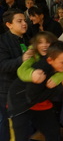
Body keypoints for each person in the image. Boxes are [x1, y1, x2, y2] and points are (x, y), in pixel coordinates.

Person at [7, 40, 63, 141]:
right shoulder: (40, 71)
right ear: (50, 60)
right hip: (20, 104)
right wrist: (60, 86)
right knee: (20, 136)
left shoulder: (57, 64)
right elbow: (33, 98)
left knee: (53, 132)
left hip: (39, 101)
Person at [0, 9, 31, 141]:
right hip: (8, 92)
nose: (24, 23)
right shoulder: (2, 41)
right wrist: (22, 59)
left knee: (23, 126)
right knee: (8, 127)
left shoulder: (27, 39)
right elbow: (2, 66)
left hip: (24, 91)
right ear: (9, 24)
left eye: (25, 20)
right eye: (19, 21)